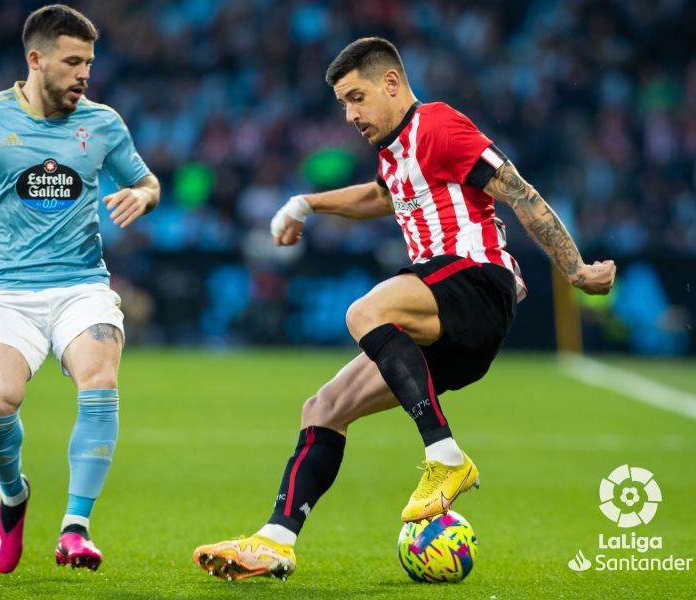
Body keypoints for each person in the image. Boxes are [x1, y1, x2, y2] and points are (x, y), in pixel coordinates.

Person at [194, 37, 615, 582]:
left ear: (391, 83)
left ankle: (445, 457)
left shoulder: (438, 125)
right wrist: (306, 203)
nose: (350, 115)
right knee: (323, 407)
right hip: (442, 330)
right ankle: (276, 541)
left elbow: (520, 192)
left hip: (475, 283)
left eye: (357, 98)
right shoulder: (395, 154)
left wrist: (575, 268)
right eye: (343, 104)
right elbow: (380, 196)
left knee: (365, 311)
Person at [0, 4, 160, 573]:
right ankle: (14, 495)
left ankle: (75, 527)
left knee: (101, 377)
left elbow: (146, 180)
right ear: (35, 59)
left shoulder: (104, 123)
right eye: (72, 61)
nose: (84, 73)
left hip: (81, 285)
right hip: (8, 290)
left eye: (89, 61)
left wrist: (143, 194)